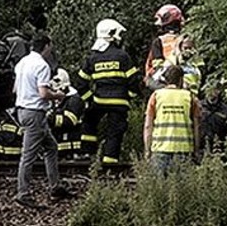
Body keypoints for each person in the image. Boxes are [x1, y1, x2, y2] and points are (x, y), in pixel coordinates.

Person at [73, 19, 140, 168]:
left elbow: (80, 83)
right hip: (119, 103)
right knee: (115, 132)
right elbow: (134, 81)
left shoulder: (92, 57)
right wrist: (129, 95)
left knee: (89, 122)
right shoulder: (123, 56)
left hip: (99, 101)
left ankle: (87, 154)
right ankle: (110, 164)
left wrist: (90, 99)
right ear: (111, 34)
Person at [12, 33, 69, 207]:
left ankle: (55, 186)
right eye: (50, 46)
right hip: (34, 112)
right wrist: (58, 95)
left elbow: (15, 89)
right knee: (28, 155)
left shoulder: (22, 62)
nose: (51, 49)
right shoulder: (42, 65)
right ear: (45, 46)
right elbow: (43, 93)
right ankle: (23, 192)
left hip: (23, 110)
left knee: (51, 147)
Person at [144, 65, 201, 175]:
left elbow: (148, 126)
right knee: (183, 189)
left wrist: (147, 150)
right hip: (184, 150)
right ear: (181, 79)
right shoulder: (190, 97)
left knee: (159, 188)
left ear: (165, 80)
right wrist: (196, 150)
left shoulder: (156, 96)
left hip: (160, 149)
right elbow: (197, 126)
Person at [145, 4, 186, 88]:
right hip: (186, 80)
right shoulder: (186, 39)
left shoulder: (159, 41)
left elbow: (156, 65)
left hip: (164, 82)